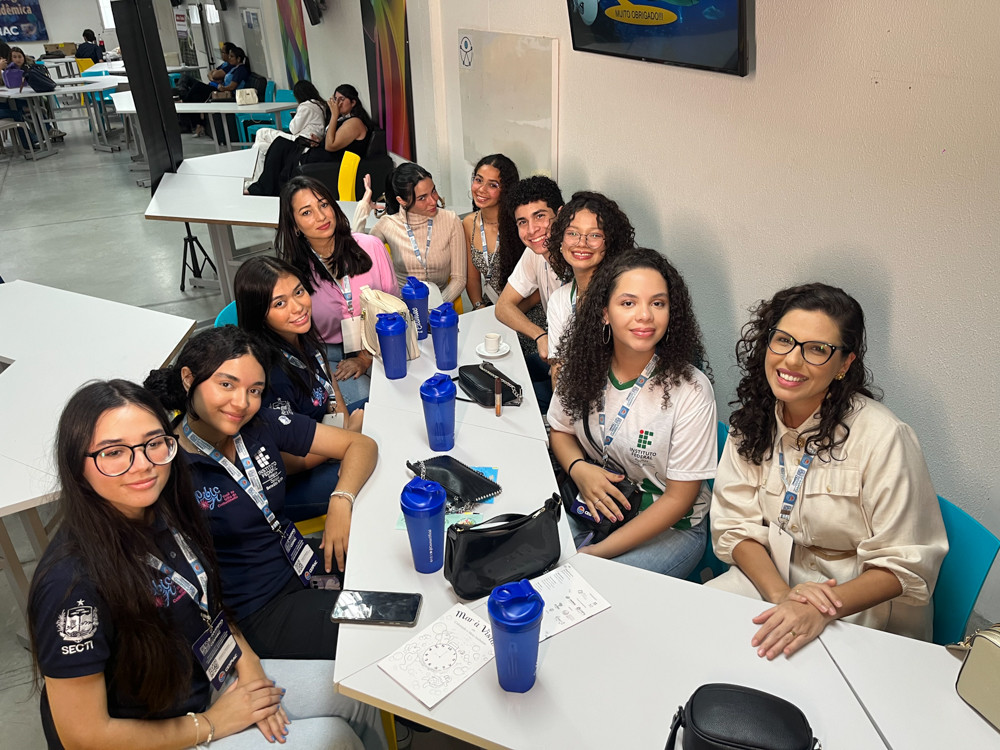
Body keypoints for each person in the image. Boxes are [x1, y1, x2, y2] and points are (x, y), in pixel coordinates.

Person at [28, 380, 385, 749]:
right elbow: (83, 736)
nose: (143, 465)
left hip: (207, 680)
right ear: (77, 463)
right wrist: (211, 724)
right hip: (153, 731)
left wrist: (250, 671)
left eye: (153, 443)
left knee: (358, 691)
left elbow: (209, 604)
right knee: (334, 739)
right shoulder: (70, 585)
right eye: (114, 452)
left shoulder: (167, 507)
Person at [707, 282, 948, 658]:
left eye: (817, 349)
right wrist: (783, 596)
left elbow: (905, 563)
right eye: (783, 340)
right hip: (775, 575)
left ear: (844, 364)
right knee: (700, 626)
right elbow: (736, 528)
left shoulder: (884, 437)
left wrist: (819, 609)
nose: (792, 360)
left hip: (857, 598)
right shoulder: (752, 422)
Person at [144, 326, 378, 659]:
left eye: (254, 390)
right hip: (260, 610)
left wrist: (341, 500)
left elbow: (361, 445)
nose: (242, 403)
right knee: (377, 625)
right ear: (188, 379)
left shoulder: (259, 424)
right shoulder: (166, 470)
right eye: (227, 385)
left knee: (392, 574)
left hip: (300, 561)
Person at [548, 247, 717, 578]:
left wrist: (597, 553)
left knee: (590, 586)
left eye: (658, 303)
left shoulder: (692, 389)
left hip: (670, 527)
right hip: (597, 505)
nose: (645, 316)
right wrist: (579, 469)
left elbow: (678, 500)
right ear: (605, 313)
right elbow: (560, 430)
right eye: (628, 303)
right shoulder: (583, 366)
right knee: (532, 557)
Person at [235, 256, 366, 524]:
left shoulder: (298, 333)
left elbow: (330, 385)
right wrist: (346, 441)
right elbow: (284, 459)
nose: (298, 307)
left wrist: (344, 430)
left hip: (324, 436)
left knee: (383, 413)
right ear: (258, 313)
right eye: (279, 303)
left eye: (298, 292)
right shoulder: (266, 375)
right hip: (295, 478)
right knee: (373, 467)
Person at [275, 175, 398, 407]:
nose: (321, 216)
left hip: (383, 343)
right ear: (295, 225)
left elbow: (394, 308)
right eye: (306, 212)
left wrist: (365, 356)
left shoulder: (371, 247)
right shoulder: (293, 274)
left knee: (401, 397)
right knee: (366, 405)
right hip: (330, 356)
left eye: (323, 205)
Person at [546, 191, 637, 385]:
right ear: (560, 240)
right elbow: (558, 371)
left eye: (595, 235)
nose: (582, 243)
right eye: (572, 233)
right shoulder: (559, 300)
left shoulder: (625, 299)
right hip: (575, 398)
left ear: (610, 243)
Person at [495, 176, 566, 410]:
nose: (532, 229)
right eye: (522, 222)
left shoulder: (578, 260)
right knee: (500, 377)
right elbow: (503, 306)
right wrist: (539, 335)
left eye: (540, 216)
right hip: (554, 351)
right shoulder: (535, 253)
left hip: (581, 372)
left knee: (508, 399)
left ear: (561, 215)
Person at [353, 162, 466, 303]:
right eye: (422, 198)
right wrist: (363, 208)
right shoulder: (387, 225)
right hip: (401, 305)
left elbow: (459, 279)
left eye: (433, 191)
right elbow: (356, 258)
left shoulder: (451, 220)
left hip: (441, 305)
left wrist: (435, 308)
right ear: (402, 201)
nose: (433, 201)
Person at [247, 84, 371, 197]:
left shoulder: (355, 122)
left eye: (342, 99)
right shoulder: (343, 119)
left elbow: (331, 146)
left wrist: (334, 115)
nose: (338, 103)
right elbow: (332, 140)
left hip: (332, 161)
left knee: (281, 146)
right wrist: (319, 141)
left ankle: (262, 189)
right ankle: (264, 187)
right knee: (280, 144)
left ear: (353, 103)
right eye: (335, 99)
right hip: (324, 154)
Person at [244, 80, 331, 189]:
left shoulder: (307, 106)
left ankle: (254, 180)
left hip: (300, 141)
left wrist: (295, 116)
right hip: (305, 140)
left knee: (261, 133)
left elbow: (293, 128)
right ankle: (256, 181)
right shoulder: (320, 105)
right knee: (260, 146)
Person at [462, 154, 520, 309]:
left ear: (506, 190)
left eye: (493, 185)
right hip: (490, 307)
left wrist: (508, 312)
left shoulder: (520, 223)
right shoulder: (468, 223)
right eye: (478, 180)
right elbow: (472, 278)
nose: (481, 189)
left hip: (523, 308)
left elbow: (536, 284)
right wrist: (479, 306)